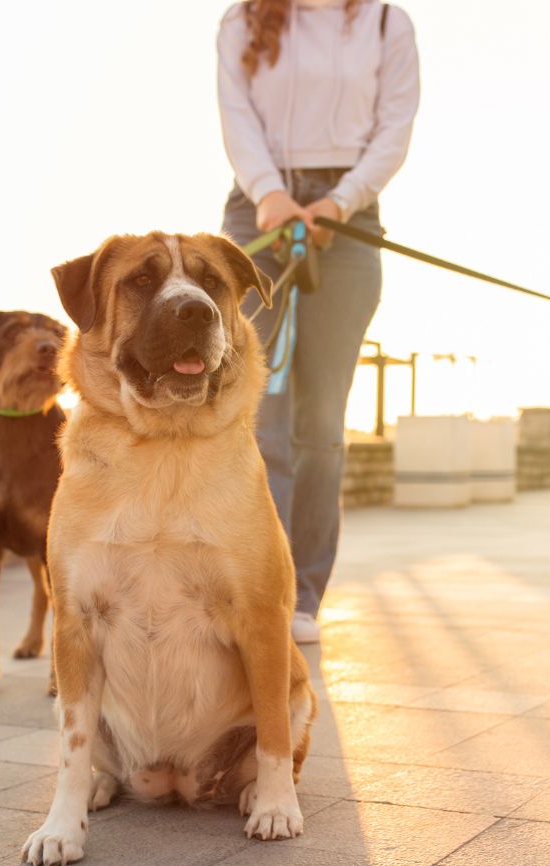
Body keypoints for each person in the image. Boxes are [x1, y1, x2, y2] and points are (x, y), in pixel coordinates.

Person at [217, 0, 420, 645]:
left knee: (321, 420)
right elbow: (236, 118)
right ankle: (253, 589)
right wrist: (271, 195)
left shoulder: (388, 23)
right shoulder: (241, 19)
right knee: (255, 410)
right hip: (258, 208)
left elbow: (394, 129)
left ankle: (302, 594)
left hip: (349, 217)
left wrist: (337, 202)